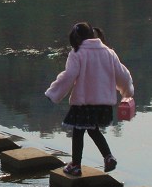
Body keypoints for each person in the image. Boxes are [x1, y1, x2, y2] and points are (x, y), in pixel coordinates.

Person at [45, 22, 134, 175]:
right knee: (93, 130)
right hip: (103, 103)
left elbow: (69, 76)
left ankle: (76, 165)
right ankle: (108, 157)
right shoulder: (108, 52)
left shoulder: (77, 53)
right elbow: (123, 75)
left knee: (78, 132)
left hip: (84, 102)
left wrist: (54, 93)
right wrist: (127, 92)